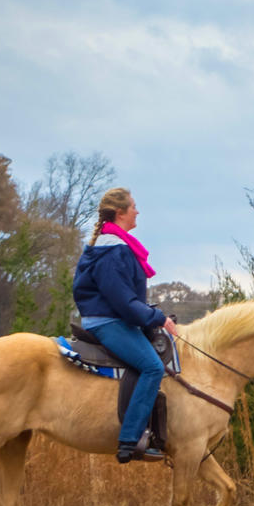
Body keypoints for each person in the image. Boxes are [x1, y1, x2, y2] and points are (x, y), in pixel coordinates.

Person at [72, 187, 176, 462]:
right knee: (152, 367)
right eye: (133, 206)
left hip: (113, 317)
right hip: (108, 321)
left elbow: (126, 299)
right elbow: (121, 301)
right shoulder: (113, 249)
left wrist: (150, 314)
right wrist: (157, 318)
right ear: (120, 213)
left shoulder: (115, 245)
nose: (137, 210)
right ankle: (131, 440)